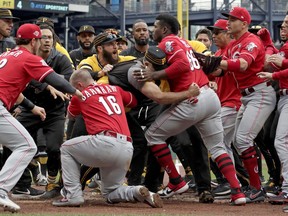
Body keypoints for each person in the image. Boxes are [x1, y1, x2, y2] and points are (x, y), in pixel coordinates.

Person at [132, 13, 246, 205]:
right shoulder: (184, 42)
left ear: (165, 29)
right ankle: (237, 192)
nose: (154, 30)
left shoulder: (167, 41)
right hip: (209, 97)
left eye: (156, 26)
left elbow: (183, 65)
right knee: (217, 147)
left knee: (152, 136)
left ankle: (176, 180)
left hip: (191, 99)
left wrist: (155, 74)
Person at [0, 23, 82, 212]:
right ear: (34, 40)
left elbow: (15, 91)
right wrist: (78, 93)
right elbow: (54, 79)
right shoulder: (29, 57)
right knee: (27, 146)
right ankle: (1, 189)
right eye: (40, 39)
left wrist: (33, 107)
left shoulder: (6, 55)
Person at [52, 69, 163, 208]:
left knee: (66, 148)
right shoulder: (115, 88)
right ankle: (136, 192)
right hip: (127, 147)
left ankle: (72, 195)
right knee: (110, 192)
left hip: (105, 142)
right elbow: (133, 102)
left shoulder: (79, 95)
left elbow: (72, 116)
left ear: (79, 85)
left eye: (73, 88)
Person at [216, 7, 277, 203]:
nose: (228, 22)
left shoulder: (250, 41)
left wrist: (215, 61)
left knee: (243, 140)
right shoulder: (234, 44)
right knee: (238, 141)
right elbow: (222, 70)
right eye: (228, 18)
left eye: (233, 19)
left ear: (244, 24)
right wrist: (205, 63)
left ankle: (258, 187)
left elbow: (242, 65)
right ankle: (255, 185)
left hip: (260, 93)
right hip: (247, 96)